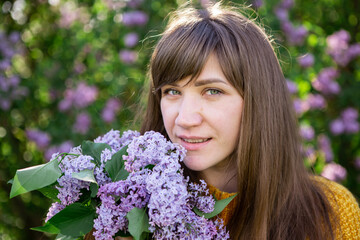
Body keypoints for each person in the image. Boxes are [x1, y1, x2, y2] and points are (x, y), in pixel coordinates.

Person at [87, 1, 360, 240]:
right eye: (172, 91)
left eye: (212, 91)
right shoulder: (118, 210)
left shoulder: (332, 214)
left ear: (258, 100)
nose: (185, 118)